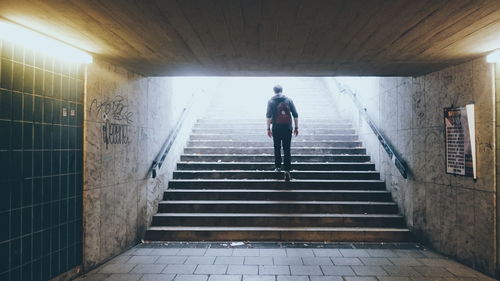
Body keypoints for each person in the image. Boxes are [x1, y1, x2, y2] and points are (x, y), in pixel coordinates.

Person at [266, 85, 299, 181]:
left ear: (274, 91)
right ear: (282, 90)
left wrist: (268, 129)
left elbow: (268, 116)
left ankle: (278, 167)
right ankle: (287, 171)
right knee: (287, 149)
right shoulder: (288, 100)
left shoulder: (271, 101)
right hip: (287, 128)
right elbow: (295, 114)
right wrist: (296, 127)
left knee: (277, 147)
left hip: (276, 128)